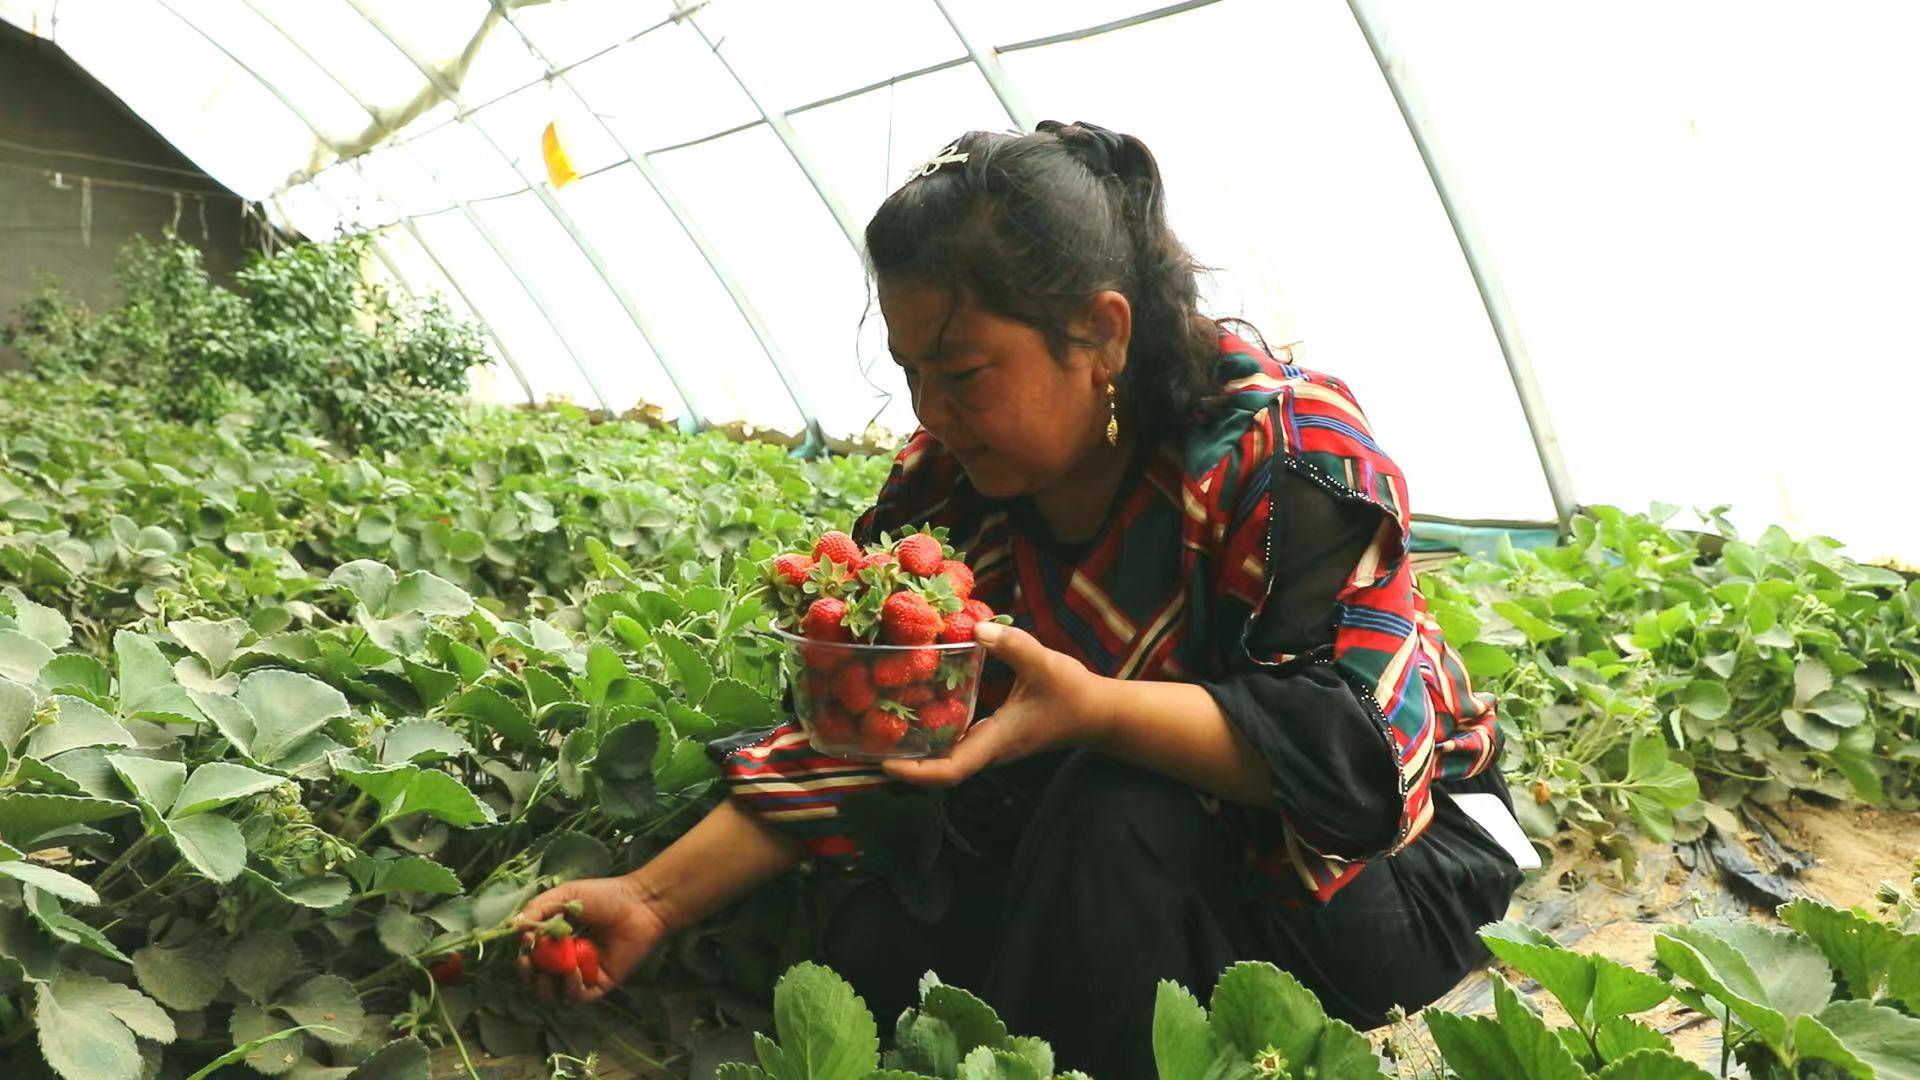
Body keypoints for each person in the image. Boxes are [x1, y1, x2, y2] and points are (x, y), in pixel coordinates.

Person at [516, 121, 1524, 1080]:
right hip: (1129, 854)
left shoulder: (1289, 453)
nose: (930, 412)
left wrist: (1094, 709)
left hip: (1374, 873)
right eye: (912, 373)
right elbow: (883, 730)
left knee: (1112, 810)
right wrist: (649, 899)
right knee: (880, 941)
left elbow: (1356, 762)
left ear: (1101, 332)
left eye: (962, 371)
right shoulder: (950, 491)